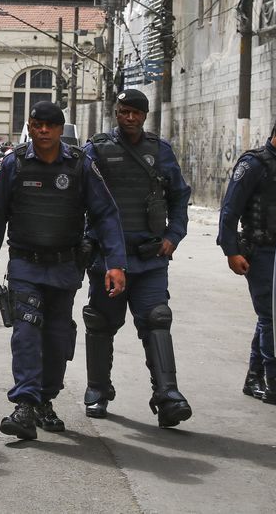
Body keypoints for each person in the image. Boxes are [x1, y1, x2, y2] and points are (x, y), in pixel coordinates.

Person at [0, 101, 126, 441]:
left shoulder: (81, 166)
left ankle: (45, 398)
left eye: (50, 126)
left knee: (57, 338)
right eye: (37, 125)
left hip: (65, 268)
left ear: (60, 129)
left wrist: (115, 263)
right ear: (30, 126)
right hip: (25, 264)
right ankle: (24, 404)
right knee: (26, 330)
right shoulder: (15, 164)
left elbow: (106, 215)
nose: (43, 131)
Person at [81, 89, 194, 428]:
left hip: (150, 259)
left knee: (157, 319)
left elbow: (179, 196)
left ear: (145, 116)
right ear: (116, 112)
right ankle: (98, 391)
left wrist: (174, 236)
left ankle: (167, 395)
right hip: (108, 261)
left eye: (136, 113)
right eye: (124, 112)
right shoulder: (97, 149)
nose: (129, 118)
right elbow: (78, 198)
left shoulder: (160, 152)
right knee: (100, 323)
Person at [218, 108, 276, 409]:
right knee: (273, 316)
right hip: (259, 251)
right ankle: (275, 382)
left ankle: (254, 377)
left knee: (268, 315)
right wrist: (231, 251)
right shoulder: (254, 164)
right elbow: (230, 211)